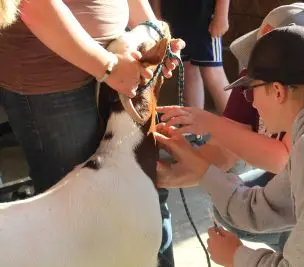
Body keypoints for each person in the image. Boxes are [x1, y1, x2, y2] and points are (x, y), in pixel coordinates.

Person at [155, 3, 304, 251]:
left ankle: (293, 245)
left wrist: (208, 122)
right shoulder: (263, 73)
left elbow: (284, 158)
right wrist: (170, 176)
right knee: (233, 206)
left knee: (298, 232)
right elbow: (224, 150)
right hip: (302, 176)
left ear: (279, 89)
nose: (251, 99)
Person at [0, 1, 183, 266]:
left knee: (145, 197)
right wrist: (107, 66)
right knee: (77, 230)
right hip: (57, 83)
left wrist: (154, 35)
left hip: (120, 66)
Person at [152, 0, 231, 114]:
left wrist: (221, 14)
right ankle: (192, 127)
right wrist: (156, 13)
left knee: (212, 72)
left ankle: (236, 124)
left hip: (205, 15)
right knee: (187, 69)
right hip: (172, 14)